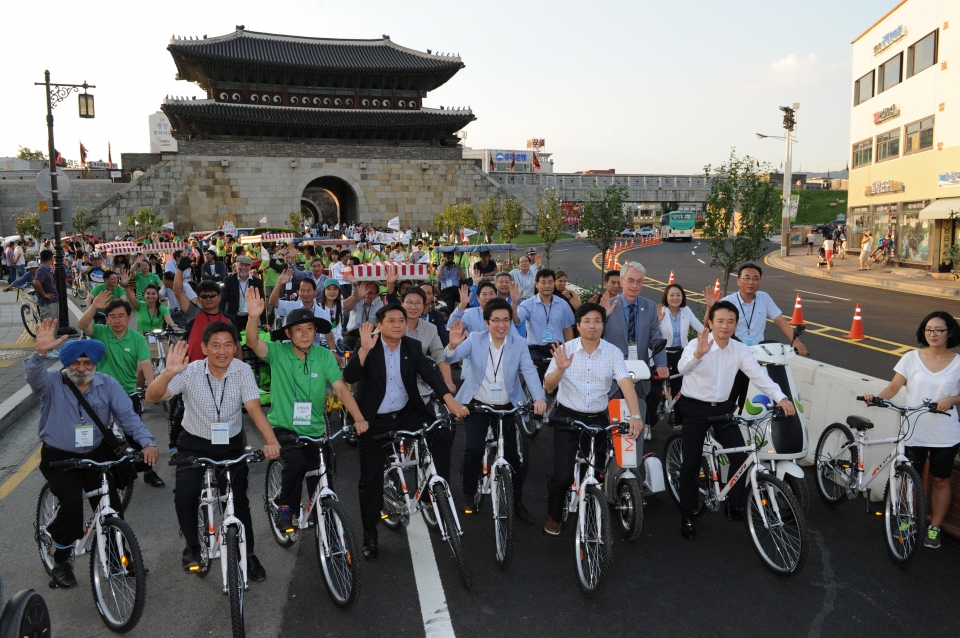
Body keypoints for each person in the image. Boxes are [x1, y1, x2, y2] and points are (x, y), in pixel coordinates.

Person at [145, 322, 278, 579]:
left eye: (228, 345)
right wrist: (167, 374)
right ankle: (193, 547)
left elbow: (253, 408)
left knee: (238, 500)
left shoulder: (242, 371)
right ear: (204, 348)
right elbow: (152, 397)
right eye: (215, 345)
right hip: (194, 441)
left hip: (230, 443)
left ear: (235, 348)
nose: (222, 351)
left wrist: (271, 441)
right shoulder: (190, 370)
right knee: (185, 492)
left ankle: (247, 554)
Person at [29, 325, 158, 588]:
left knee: (111, 505)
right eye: (75, 362)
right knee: (72, 505)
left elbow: (128, 418)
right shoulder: (52, 383)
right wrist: (39, 354)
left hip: (97, 454)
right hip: (60, 457)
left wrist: (147, 443)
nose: (81, 367)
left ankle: (116, 558)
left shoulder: (107, 384)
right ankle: (62, 558)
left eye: (87, 362)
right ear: (66, 364)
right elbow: (34, 377)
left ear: (95, 364)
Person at [343, 305, 470, 559]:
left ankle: (436, 490)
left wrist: (451, 402)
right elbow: (350, 375)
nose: (398, 324)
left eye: (401, 320)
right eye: (391, 320)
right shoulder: (368, 344)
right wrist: (364, 350)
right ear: (379, 325)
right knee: (370, 481)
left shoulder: (411, 347)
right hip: (372, 420)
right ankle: (370, 532)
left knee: (442, 432)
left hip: (406, 414)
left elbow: (431, 376)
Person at [243, 290, 367, 532]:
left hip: (316, 429)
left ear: (316, 331)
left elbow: (341, 389)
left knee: (323, 478)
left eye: (309, 328)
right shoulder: (278, 352)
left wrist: (359, 418)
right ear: (288, 333)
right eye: (298, 329)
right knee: (297, 464)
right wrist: (253, 317)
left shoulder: (323, 355)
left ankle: (329, 532)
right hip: (283, 427)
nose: (304, 334)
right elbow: (252, 342)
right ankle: (285, 507)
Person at [675, 301, 796, 540]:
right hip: (694, 408)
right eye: (720, 321)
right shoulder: (697, 344)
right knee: (690, 464)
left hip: (722, 408)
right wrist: (698, 354)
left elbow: (759, 376)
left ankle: (735, 503)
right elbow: (682, 368)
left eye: (730, 322)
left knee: (740, 457)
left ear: (736, 325)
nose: (725, 326)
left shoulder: (739, 350)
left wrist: (781, 397)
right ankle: (687, 514)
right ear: (710, 322)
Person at [542, 303, 645, 535]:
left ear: (603, 325)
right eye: (587, 321)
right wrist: (560, 368)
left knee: (597, 473)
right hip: (567, 418)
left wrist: (636, 415)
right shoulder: (565, 349)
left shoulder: (613, 352)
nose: (592, 326)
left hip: (597, 418)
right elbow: (548, 387)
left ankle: (592, 515)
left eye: (597, 321)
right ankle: (554, 516)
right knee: (564, 475)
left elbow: (625, 383)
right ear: (578, 326)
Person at [862, 312, 960, 549]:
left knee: (940, 479)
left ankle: (934, 527)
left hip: (945, 433)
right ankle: (909, 519)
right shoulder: (911, 358)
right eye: (928, 329)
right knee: (909, 478)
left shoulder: (958, 362)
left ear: (950, 333)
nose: (932, 334)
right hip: (913, 430)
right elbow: (895, 386)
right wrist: (877, 398)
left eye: (938, 330)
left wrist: (951, 399)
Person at [446, 299, 546, 523]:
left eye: (506, 320)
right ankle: (470, 494)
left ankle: (517, 501)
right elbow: (449, 357)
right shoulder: (475, 339)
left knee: (513, 457)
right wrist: (452, 345)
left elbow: (529, 371)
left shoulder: (518, 343)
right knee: (474, 448)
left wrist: (539, 397)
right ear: (486, 322)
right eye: (496, 320)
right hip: (478, 405)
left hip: (507, 406)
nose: (502, 325)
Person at [704, 262, 807, 413]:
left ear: (759, 281)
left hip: (757, 356)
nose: (751, 282)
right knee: (730, 397)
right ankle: (722, 422)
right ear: (738, 281)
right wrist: (710, 307)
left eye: (755, 278)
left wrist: (795, 341)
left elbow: (780, 320)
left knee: (751, 394)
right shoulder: (729, 301)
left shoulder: (764, 298)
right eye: (746, 278)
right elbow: (708, 325)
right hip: (734, 354)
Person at [656, 283, 704, 434]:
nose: (675, 298)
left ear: (682, 297)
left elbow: (700, 329)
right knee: (654, 390)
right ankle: (648, 423)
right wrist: (657, 320)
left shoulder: (686, 311)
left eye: (678, 295)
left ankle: (679, 423)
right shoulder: (660, 311)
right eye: (672, 295)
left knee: (680, 389)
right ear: (666, 297)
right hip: (662, 353)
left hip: (680, 354)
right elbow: (653, 335)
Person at [514, 268, 575, 382]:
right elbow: (516, 320)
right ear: (536, 284)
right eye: (543, 282)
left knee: (561, 382)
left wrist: (569, 350)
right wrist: (514, 302)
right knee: (536, 378)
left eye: (550, 282)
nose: (547, 285)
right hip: (535, 349)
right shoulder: (528, 304)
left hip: (558, 348)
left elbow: (567, 329)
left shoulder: (563, 304)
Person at [270, 271, 339, 356]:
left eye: (309, 290)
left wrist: (333, 351)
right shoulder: (291, 306)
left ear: (315, 292)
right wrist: (279, 284)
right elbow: (273, 302)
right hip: (289, 351)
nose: (306, 294)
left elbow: (329, 333)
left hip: (311, 353)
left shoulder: (322, 313)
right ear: (298, 292)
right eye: (302, 290)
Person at [219, 255, 264, 328]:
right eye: (241, 264)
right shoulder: (229, 280)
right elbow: (223, 300)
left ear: (250, 267)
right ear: (236, 265)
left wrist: (264, 322)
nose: (243, 267)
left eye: (247, 265)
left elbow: (261, 302)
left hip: (251, 317)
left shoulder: (257, 282)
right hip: (233, 317)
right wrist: (221, 318)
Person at [342, 280, 383, 352]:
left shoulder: (379, 303)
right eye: (365, 292)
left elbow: (379, 322)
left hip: (370, 335)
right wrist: (357, 297)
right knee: (343, 352)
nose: (367, 295)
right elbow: (345, 308)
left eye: (370, 293)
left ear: (377, 294)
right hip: (352, 334)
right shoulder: (357, 299)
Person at [418, 281, 449, 346]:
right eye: (422, 292)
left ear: (433, 296)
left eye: (428, 293)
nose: (425, 296)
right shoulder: (410, 313)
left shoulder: (438, 316)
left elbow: (444, 340)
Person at [33, 250, 60, 323]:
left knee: (52, 327)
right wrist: (44, 294)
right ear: (51, 259)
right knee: (49, 328)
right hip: (48, 305)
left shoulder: (45, 269)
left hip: (51, 303)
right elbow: (36, 282)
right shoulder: (42, 270)